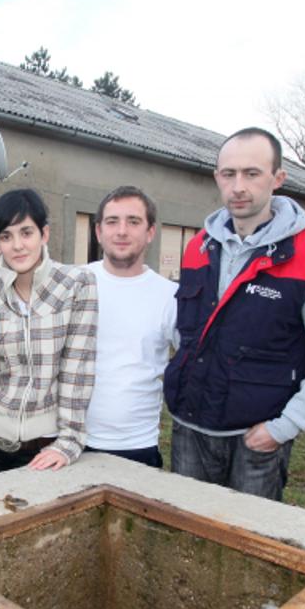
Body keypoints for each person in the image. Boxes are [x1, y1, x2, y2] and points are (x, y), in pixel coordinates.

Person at [163, 127, 305, 501]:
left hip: (257, 440)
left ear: (277, 179)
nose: (238, 186)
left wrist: (285, 426)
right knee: (187, 539)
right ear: (217, 177)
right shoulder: (199, 246)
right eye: (228, 174)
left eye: (252, 174)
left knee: (248, 543)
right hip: (190, 429)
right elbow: (183, 332)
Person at [0, 188, 97, 481]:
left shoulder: (77, 285)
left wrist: (69, 441)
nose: (17, 245)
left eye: (26, 232)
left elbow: (76, 370)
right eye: (6, 237)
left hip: (44, 445)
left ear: (44, 234)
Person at [84, 186, 178, 468]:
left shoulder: (170, 296)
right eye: (112, 221)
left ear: (150, 232)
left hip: (138, 446)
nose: (122, 231)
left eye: (133, 221)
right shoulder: (73, 282)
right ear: (99, 231)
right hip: (69, 442)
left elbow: (194, 364)